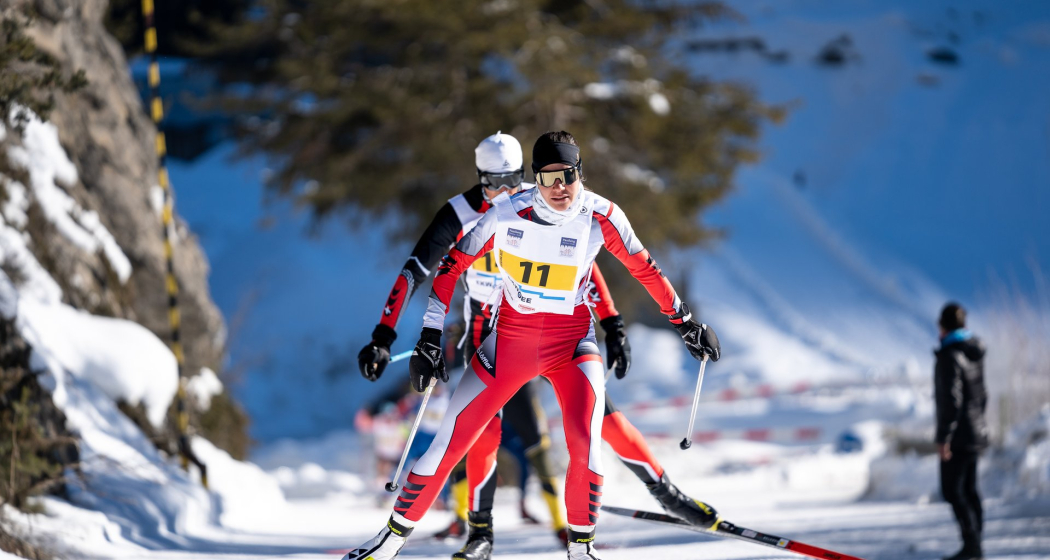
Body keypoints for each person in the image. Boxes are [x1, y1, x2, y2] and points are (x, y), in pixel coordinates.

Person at [343, 131, 721, 560]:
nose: (559, 188)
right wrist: (424, 336)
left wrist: (681, 323)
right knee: (452, 442)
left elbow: (643, 269)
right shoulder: (501, 215)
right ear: (533, 178)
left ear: (579, 173)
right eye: (548, 178)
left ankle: (586, 547)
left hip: (572, 346)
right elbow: (446, 270)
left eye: (568, 176)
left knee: (587, 440)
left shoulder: (602, 216)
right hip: (505, 344)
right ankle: (396, 543)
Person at [934, 303, 988, 560]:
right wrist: (979, 423)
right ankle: (975, 545)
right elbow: (982, 395)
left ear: (943, 326)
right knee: (969, 489)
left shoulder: (950, 355)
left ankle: (972, 546)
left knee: (953, 491)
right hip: (976, 431)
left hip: (958, 435)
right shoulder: (973, 351)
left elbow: (951, 401)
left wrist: (944, 437)